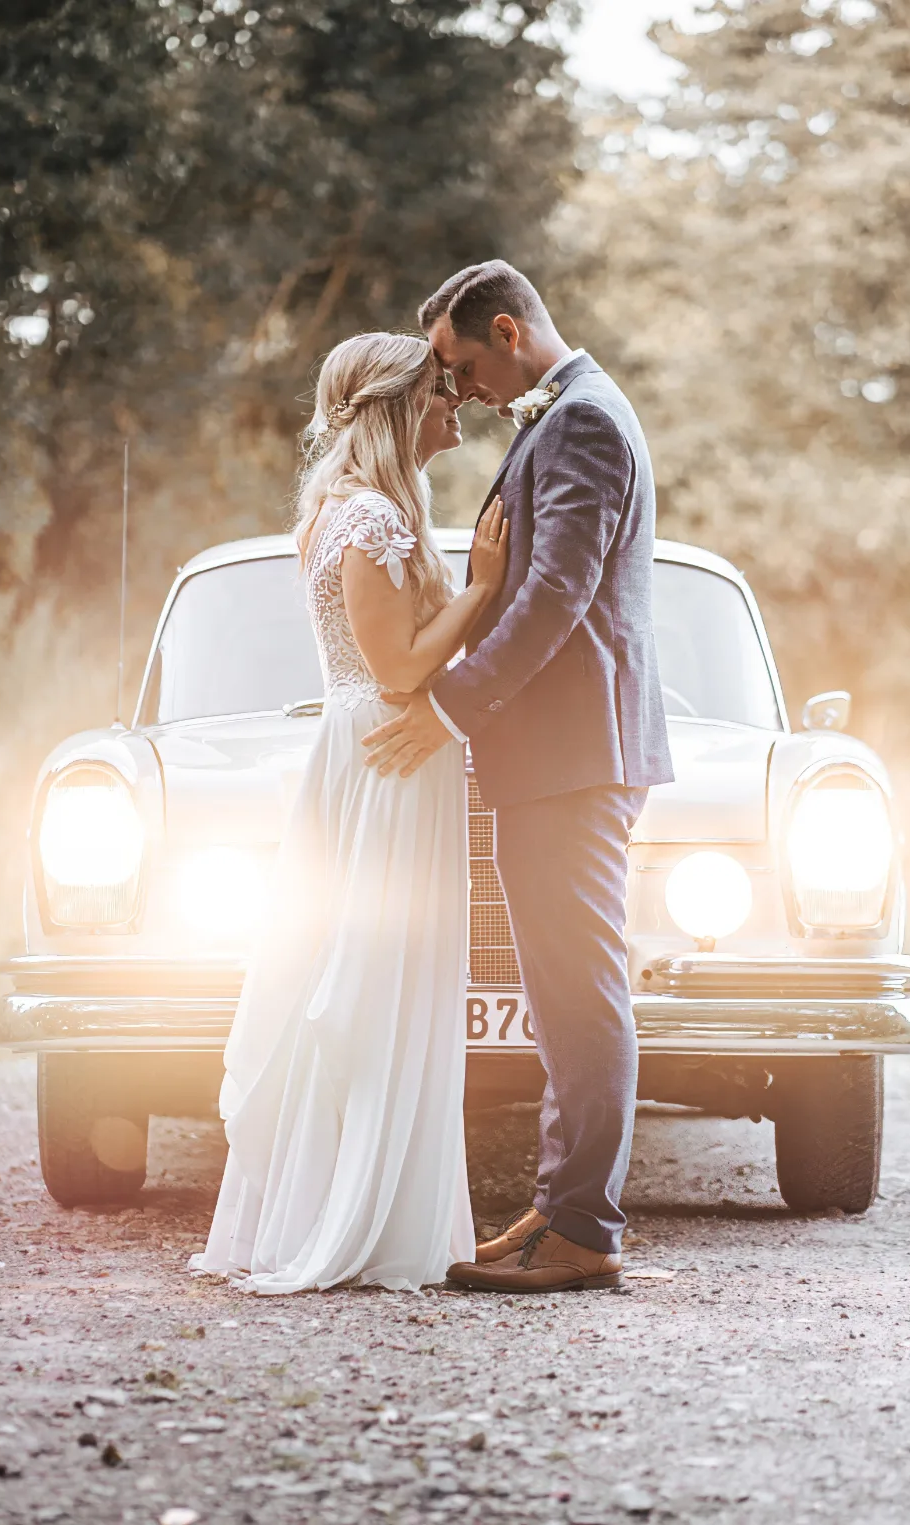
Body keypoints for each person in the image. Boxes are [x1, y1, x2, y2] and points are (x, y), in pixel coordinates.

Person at [362, 260, 674, 1293]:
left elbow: (555, 596)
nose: (457, 395)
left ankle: (585, 1227)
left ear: (506, 330)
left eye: (458, 368)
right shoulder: (568, 416)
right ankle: (560, 1204)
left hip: (574, 757)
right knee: (558, 989)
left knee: (580, 991)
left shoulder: (582, 421)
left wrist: (448, 708)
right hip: (556, 756)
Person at [191, 331, 509, 1293]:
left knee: (376, 983)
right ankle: (360, 1222)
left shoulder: (343, 507)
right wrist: (485, 588)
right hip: (385, 760)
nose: (456, 410)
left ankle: (370, 1207)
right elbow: (400, 668)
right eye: (443, 395)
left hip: (368, 751)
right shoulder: (368, 518)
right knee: (375, 985)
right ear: (400, 406)